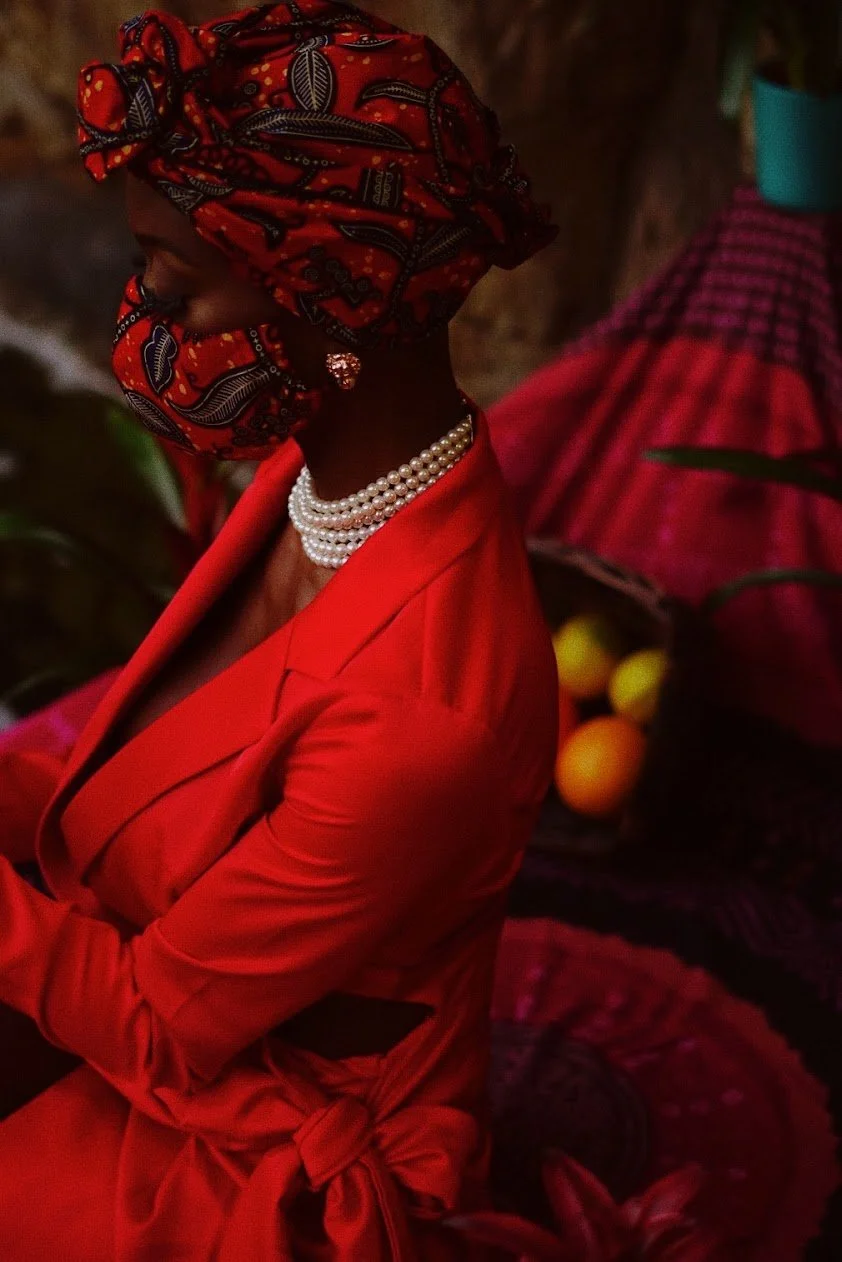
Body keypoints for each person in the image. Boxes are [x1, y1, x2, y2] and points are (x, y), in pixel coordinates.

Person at [0, 3, 559, 1259]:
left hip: (253, 1140)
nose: (141, 304)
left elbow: (156, 1022)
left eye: (174, 275)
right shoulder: (318, 481)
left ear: (330, 310)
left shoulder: (426, 715)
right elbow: (163, 794)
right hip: (163, 1000)